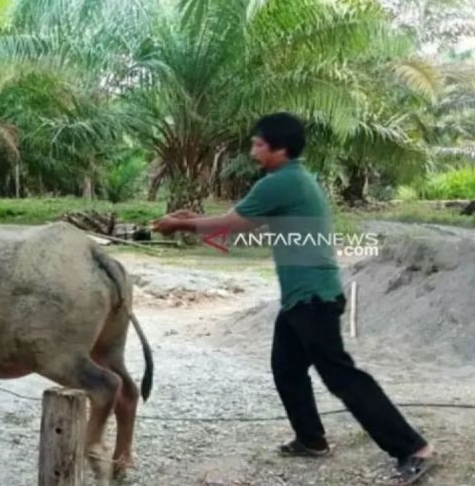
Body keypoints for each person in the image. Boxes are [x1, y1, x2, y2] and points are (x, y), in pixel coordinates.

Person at [151, 113, 435, 484]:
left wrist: (183, 224)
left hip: (312, 299)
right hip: (303, 297)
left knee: (342, 377)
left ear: (279, 148)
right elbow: (238, 228)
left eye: (258, 144)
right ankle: (311, 439)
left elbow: (232, 225)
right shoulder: (294, 180)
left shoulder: (281, 182)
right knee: (286, 368)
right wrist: (196, 222)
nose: (252, 151)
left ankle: (413, 448)